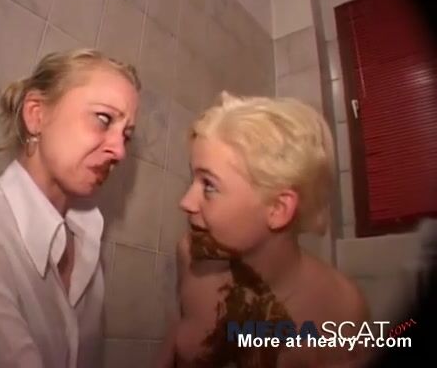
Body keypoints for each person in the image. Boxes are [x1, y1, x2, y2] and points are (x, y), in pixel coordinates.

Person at [0, 48, 140, 368]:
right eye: (103, 119)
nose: (119, 151)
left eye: (126, 136)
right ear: (36, 115)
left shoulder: (88, 244)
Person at [156, 92, 372, 368]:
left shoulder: (341, 311)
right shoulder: (191, 255)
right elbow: (182, 333)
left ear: (278, 209)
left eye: (209, 185)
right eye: (194, 179)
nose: (185, 202)